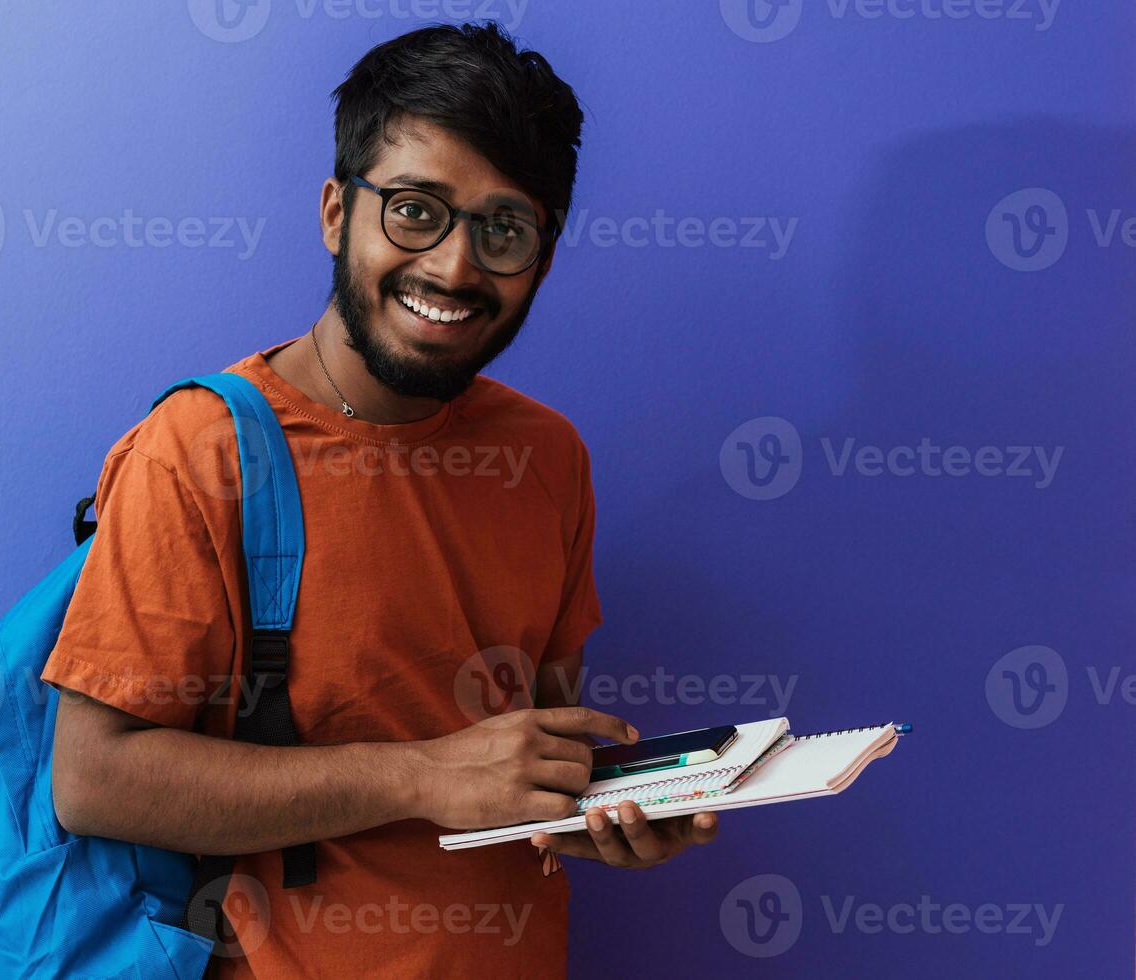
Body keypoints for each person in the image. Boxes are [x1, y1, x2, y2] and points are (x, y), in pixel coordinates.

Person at [44, 21, 718, 978]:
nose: (452, 266)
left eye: (503, 229)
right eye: (414, 210)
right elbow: (92, 776)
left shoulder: (548, 457)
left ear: (543, 257)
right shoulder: (201, 450)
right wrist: (422, 773)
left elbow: (533, 736)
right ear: (334, 212)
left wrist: (596, 809)